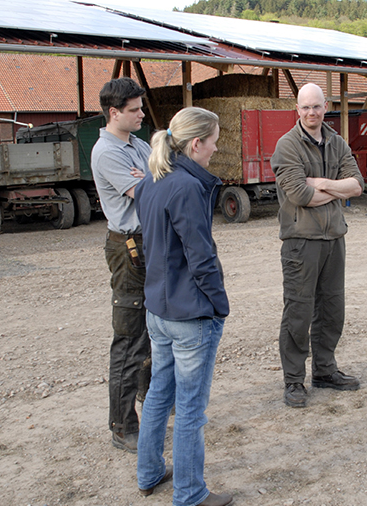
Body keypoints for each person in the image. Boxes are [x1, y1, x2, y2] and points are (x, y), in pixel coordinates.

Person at [134, 107, 233, 506]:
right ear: (196, 144)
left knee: (160, 392)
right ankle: (190, 493)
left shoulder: (150, 181)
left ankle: (149, 473)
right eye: (213, 142)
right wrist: (220, 305)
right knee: (190, 408)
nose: (215, 149)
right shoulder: (188, 188)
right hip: (190, 314)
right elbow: (201, 258)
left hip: (158, 309)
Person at [270, 82, 365, 408]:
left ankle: (325, 370)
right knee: (298, 312)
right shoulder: (287, 146)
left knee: (331, 310)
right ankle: (294, 380)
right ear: (297, 110)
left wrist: (323, 184)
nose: (312, 112)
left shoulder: (337, 143)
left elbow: (357, 186)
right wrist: (337, 190)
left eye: (317, 106)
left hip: (334, 238)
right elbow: (300, 195)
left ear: (326, 107)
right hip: (301, 241)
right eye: (305, 107)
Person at [91, 77, 152, 454]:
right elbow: (147, 191)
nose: (142, 114)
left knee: (153, 330)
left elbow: (164, 177)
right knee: (129, 338)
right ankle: (123, 425)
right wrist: (152, 180)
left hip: (149, 244)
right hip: (129, 249)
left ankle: (151, 397)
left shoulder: (139, 145)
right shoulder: (107, 152)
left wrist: (152, 179)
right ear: (114, 113)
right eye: (135, 110)